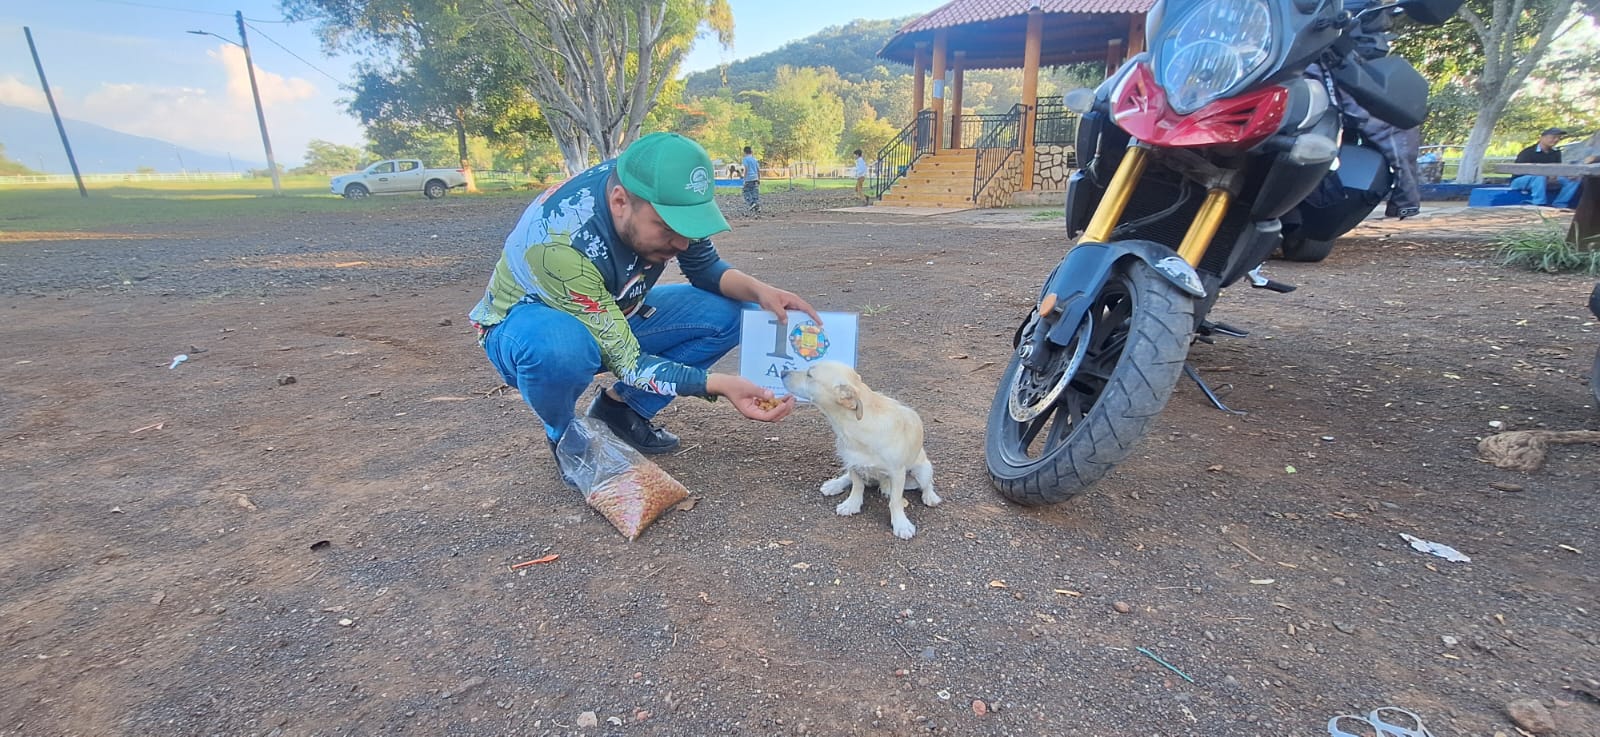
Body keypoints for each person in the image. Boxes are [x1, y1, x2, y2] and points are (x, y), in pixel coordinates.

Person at [468, 132, 821, 484]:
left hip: (616, 310)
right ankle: (566, 437)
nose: (681, 243)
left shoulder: (659, 190)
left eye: (687, 228)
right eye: (668, 229)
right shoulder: (559, 246)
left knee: (732, 314)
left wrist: (762, 292)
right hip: (527, 327)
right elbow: (629, 362)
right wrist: (717, 384)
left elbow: (704, 268)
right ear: (620, 201)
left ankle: (621, 412)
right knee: (559, 347)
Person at [1509, 127, 1579, 209]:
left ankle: (1559, 204)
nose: (1556, 140)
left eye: (1558, 138)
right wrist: (1547, 175)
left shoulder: (1556, 152)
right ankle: (1539, 203)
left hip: (1546, 179)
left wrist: (1565, 175)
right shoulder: (1528, 152)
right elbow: (1520, 170)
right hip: (1520, 181)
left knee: (1573, 180)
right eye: (1553, 137)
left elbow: (1557, 168)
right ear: (1542, 137)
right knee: (1540, 176)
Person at [741, 145, 761, 213]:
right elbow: (758, 170)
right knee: (754, 192)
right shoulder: (755, 159)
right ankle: (757, 206)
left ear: (744, 152)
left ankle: (752, 203)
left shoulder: (745, 159)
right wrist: (759, 178)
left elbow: (746, 169)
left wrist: (744, 179)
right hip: (755, 178)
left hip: (748, 178)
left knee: (746, 191)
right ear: (751, 152)